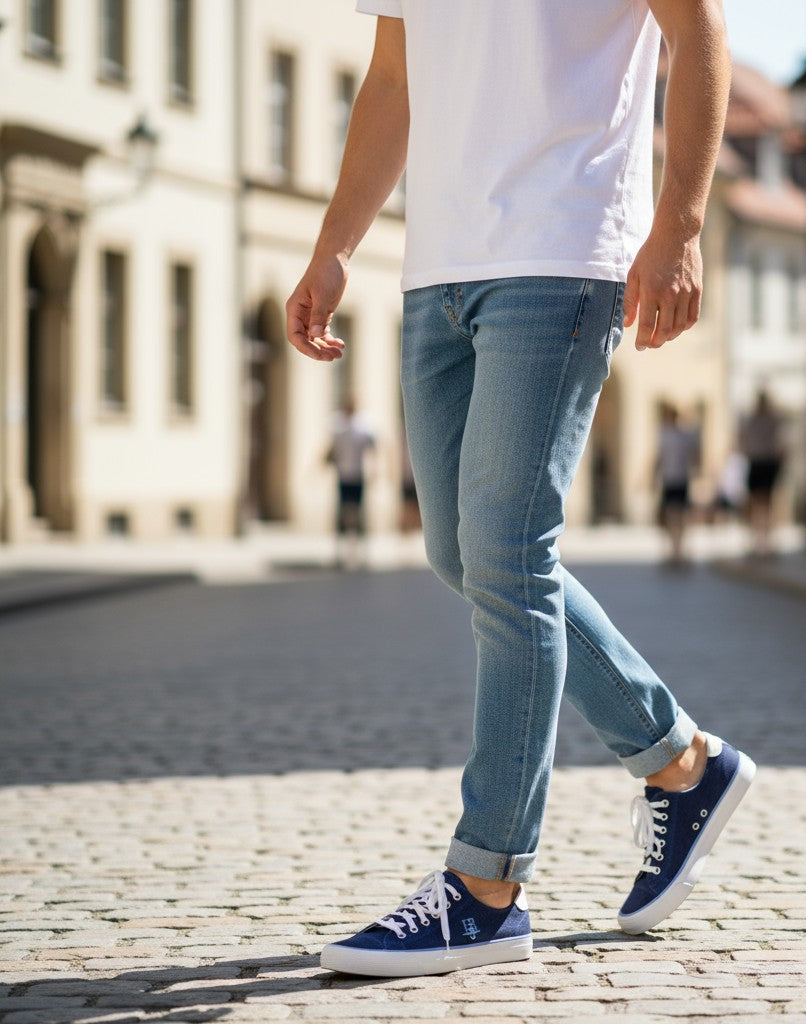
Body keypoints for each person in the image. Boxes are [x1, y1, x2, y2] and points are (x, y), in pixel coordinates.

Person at [286, 0, 755, 978]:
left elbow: (698, 28)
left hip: (562, 246)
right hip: (439, 265)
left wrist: (679, 222)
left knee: (506, 546)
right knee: (462, 552)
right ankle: (682, 764)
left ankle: (486, 885)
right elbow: (392, 77)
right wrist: (336, 241)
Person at [325, 398, 376, 568]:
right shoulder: (338, 426)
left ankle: (358, 553)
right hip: (344, 475)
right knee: (343, 513)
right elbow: (331, 449)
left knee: (357, 514)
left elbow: (372, 447)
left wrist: (374, 470)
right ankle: (341, 552)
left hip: (356, 475)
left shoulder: (362, 427)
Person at [739, 389, 786, 556]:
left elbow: (743, 440)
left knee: (764, 503)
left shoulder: (767, 419)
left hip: (763, 461)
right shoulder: (760, 419)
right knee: (761, 503)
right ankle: (760, 539)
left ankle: (763, 539)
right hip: (761, 461)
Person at [654, 403, 701, 566]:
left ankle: (678, 550)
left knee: (678, 516)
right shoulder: (672, 435)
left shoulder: (679, 435)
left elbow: (660, 457)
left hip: (678, 478)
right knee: (674, 516)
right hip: (674, 478)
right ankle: (675, 550)